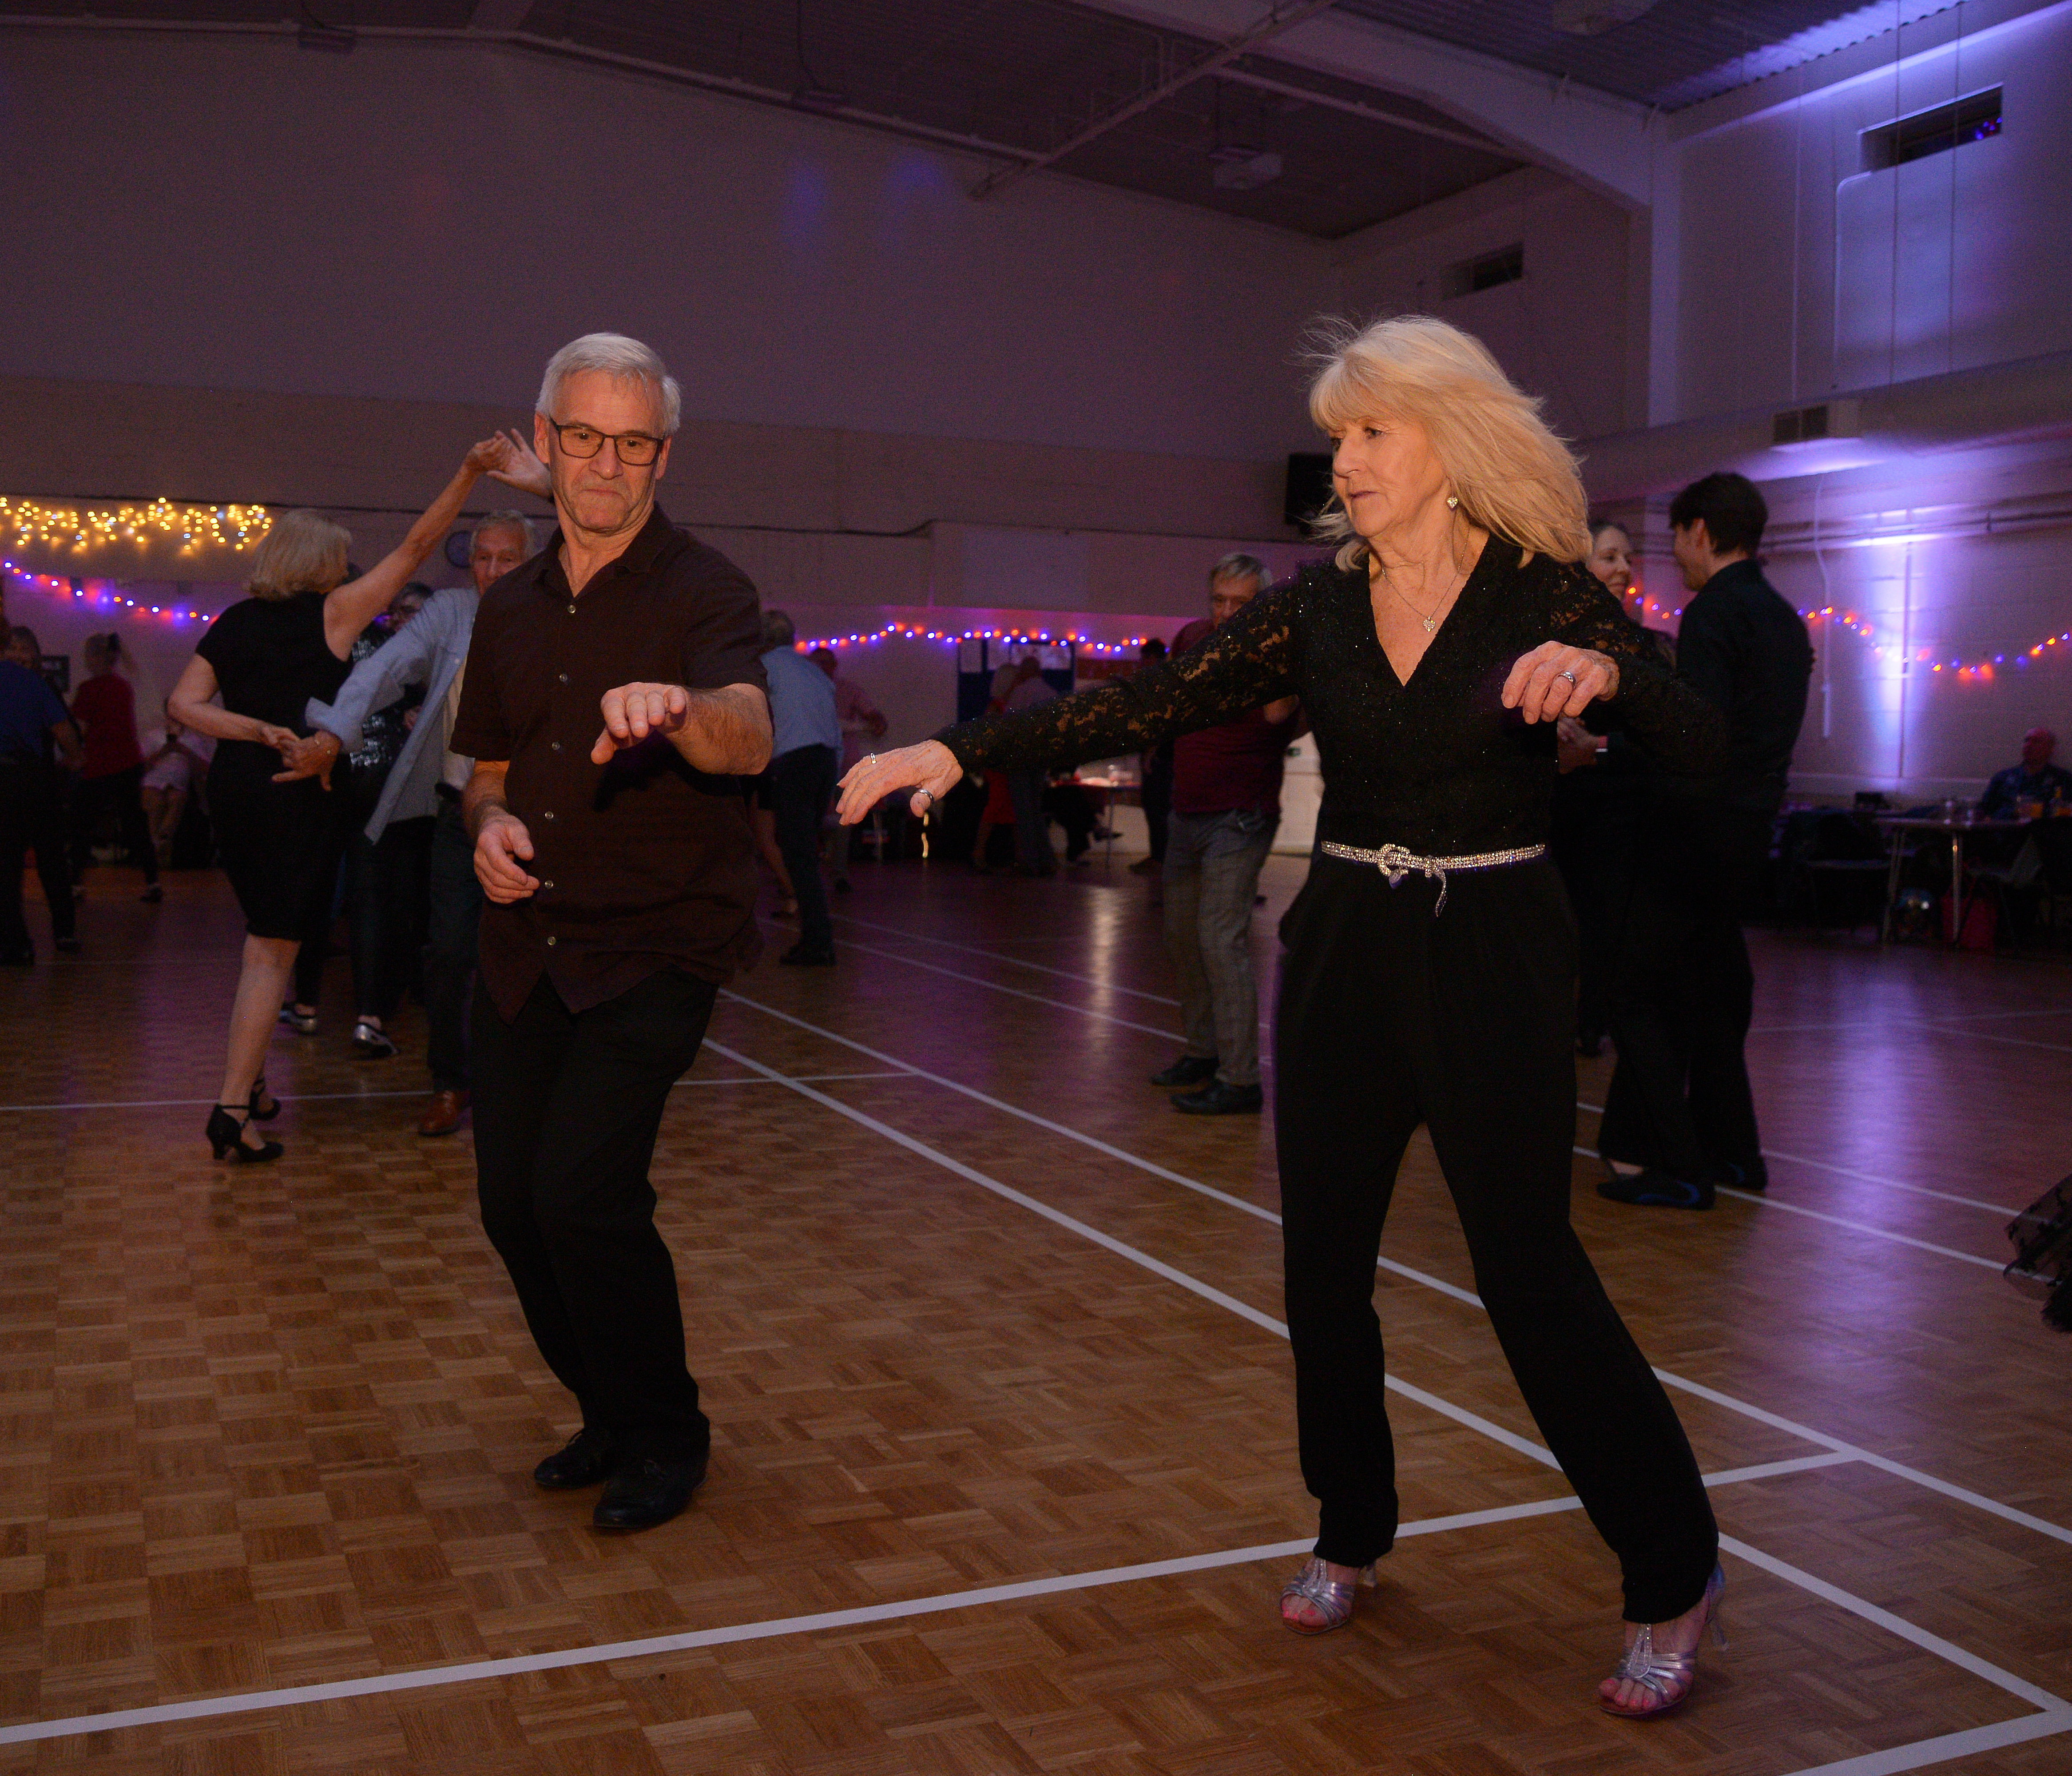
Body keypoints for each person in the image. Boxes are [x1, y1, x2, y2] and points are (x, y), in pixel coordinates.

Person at [839, 315, 1731, 1720]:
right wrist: (955, 744)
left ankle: (1673, 1565)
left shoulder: (1541, 594)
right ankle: (1349, 1522)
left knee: (1529, 1275)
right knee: (1322, 1267)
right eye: (1337, 437)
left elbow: (1708, 740)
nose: (1344, 462)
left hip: (1495, 945)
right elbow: (1145, 701)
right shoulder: (1316, 608)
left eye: (1372, 431)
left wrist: (1613, 677)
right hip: (1345, 943)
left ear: (1451, 440)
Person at [452, 332, 772, 1532]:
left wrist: (680, 708)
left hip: (655, 943)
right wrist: (487, 824)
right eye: (583, 436)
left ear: (662, 456)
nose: (605, 463)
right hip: (523, 941)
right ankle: (608, 1406)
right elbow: (486, 771)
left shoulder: (704, 590)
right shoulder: (507, 608)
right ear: (546, 440)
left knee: (583, 1193)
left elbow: (747, 729)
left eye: (632, 443)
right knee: (512, 1207)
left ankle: (666, 1431)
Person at [167, 437, 512, 1163]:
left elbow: (183, 706)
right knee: (272, 951)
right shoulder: (335, 613)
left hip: (234, 788)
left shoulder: (234, 620)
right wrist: (467, 471)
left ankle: (253, 1085)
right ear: (322, 563)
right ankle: (233, 1108)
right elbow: (417, 547)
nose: (349, 567)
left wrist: (252, 728)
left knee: (262, 937)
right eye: (342, 557)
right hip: (294, 793)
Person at [1598, 472, 1812, 1209]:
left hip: (1695, 826)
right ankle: (1736, 1153)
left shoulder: (1714, 611)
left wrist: (1608, 748)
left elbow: (1697, 733)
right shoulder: (1783, 617)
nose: (1676, 556)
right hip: (1751, 828)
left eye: (1677, 539)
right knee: (1716, 991)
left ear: (1698, 531)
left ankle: (1681, 1164)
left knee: (1632, 992)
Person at [302, 515, 536, 1134]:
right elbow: (385, 667)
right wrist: (335, 728)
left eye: (507, 559)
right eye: (482, 558)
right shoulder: (453, 612)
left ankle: (524, 1086)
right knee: (450, 953)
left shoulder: (556, 615)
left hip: (537, 820)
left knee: (533, 957)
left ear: (532, 562)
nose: (491, 571)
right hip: (462, 813)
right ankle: (450, 1084)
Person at [1147, 554, 1302, 1116]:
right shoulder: (1192, 637)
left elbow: (1280, 717)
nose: (1227, 611)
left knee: (1219, 939)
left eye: (1240, 602)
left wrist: (1268, 653)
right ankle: (1202, 1052)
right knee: (1182, 938)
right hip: (1187, 808)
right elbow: (1168, 701)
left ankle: (1240, 1079)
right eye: (1220, 600)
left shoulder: (1275, 647)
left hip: (1241, 814)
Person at [1549, 521, 1653, 1057]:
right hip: (1555, 808)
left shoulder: (1641, 646)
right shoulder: (1546, 640)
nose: (1623, 569)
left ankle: (1590, 1022)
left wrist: (1595, 747)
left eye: (1627, 559)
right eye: (1610, 557)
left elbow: (1654, 738)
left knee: (1602, 921)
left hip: (1616, 813)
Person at [336, 584, 432, 1058]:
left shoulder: (348, 641)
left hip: (359, 775)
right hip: (397, 778)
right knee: (398, 892)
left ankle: (371, 1010)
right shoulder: (418, 651)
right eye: (402, 611)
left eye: (414, 612)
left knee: (374, 893)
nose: (405, 619)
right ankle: (385, 1000)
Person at [759, 611, 841, 965]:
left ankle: (818, 942)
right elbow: (833, 728)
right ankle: (817, 938)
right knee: (805, 852)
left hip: (795, 763)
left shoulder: (765, 667)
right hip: (824, 761)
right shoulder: (814, 671)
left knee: (799, 855)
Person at [0, 633, 82, 964]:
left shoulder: (31, 681)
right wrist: (76, 759)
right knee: (50, 857)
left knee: (7, 864)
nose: (20, 654)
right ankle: (63, 931)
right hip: (35, 778)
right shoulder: (36, 683)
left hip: (10, 778)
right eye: (14, 648)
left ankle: (15, 943)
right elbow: (65, 731)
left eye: (25, 649)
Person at [67, 632, 161, 904]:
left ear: (95, 657)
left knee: (82, 824)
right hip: (129, 763)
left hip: (100, 765)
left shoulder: (89, 690)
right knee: (135, 823)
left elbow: (80, 729)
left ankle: (75, 883)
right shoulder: (123, 687)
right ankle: (153, 881)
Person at [811, 646, 886, 889]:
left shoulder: (848, 690)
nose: (821, 667)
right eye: (817, 663)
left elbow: (873, 714)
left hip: (844, 767)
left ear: (834, 666)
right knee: (810, 819)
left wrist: (876, 722)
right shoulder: (803, 692)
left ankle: (839, 874)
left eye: (826, 662)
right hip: (812, 765)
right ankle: (806, 873)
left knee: (844, 819)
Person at [1002, 656, 1059, 875]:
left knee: (1024, 811)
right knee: (1035, 809)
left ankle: (1032, 862)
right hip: (1041, 758)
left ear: (1023, 673)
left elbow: (1007, 723)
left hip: (1020, 757)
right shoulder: (1051, 693)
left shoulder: (1020, 693)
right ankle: (1046, 860)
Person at [1129, 636, 1172, 881]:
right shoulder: (1167, 681)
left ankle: (1160, 858)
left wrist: (1151, 752)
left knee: (1157, 809)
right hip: (1163, 756)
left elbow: (1160, 722)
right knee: (1158, 810)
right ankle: (1160, 857)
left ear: (1153, 658)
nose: (1142, 663)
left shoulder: (1159, 684)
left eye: (1145, 659)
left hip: (1161, 757)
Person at [140, 718, 210, 869]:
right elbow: (140, 767)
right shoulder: (153, 737)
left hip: (179, 786)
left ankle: (159, 845)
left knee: (177, 801)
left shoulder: (194, 740)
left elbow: (206, 768)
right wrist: (163, 752)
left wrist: (186, 752)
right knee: (156, 804)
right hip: (153, 783)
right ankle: (158, 849)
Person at [1979, 727, 2072, 818]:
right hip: (2006, 827)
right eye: (2027, 741)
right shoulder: (2003, 778)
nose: (2029, 745)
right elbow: (1983, 811)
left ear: (2050, 749)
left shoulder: (2063, 779)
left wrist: (2039, 811)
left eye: (2036, 742)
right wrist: (2014, 812)